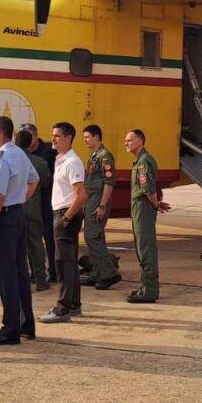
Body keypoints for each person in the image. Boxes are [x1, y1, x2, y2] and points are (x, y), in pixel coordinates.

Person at [0, 115, 40, 345]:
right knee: (20, 272)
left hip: (5, 218)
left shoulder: (3, 159)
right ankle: (26, 324)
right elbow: (34, 180)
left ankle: (10, 329)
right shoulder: (20, 154)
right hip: (18, 214)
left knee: (6, 275)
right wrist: (21, 199)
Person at [41, 122, 86, 323]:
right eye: (53, 135)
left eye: (58, 136)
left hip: (66, 214)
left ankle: (63, 307)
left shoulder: (72, 162)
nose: (53, 139)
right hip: (61, 213)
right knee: (69, 262)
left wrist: (66, 218)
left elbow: (80, 195)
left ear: (68, 137)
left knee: (63, 263)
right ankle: (74, 304)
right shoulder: (60, 160)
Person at [125, 129, 170, 304]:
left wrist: (155, 203)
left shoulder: (143, 163)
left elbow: (148, 188)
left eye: (129, 140)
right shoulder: (141, 161)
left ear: (140, 142)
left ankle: (149, 291)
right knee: (142, 247)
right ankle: (146, 287)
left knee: (145, 248)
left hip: (143, 206)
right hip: (141, 206)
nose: (126, 143)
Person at [80, 124, 121, 290]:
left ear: (97, 137)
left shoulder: (104, 157)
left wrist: (102, 205)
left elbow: (109, 183)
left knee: (91, 236)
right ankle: (97, 272)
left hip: (98, 200)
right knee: (97, 237)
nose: (85, 141)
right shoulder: (94, 155)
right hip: (92, 200)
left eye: (88, 137)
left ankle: (109, 272)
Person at [23, 123, 59, 283]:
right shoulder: (22, 154)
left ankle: (54, 271)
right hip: (31, 202)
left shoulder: (49, 153)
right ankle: (36, 272)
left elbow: (48, 180)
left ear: (36, 136)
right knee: (32, 239)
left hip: (47, 201)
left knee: (49, 238)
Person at [16, 129, 51, 292]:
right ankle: (41, 279)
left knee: (16, 246)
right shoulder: (40, 162)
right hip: (34, 208)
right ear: (31, 142)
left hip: (14, 209)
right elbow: (45, 183)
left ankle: (19, 280)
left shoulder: (7, 160)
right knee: (36, 243)